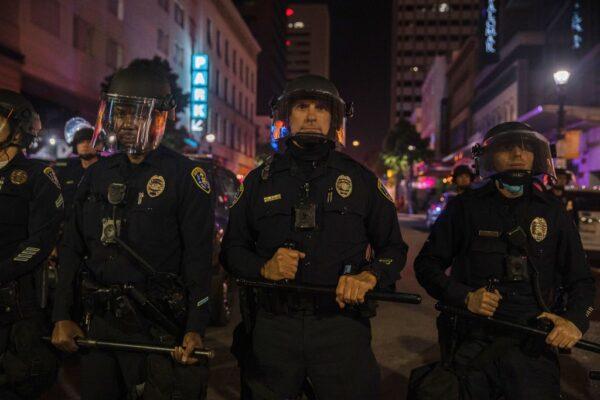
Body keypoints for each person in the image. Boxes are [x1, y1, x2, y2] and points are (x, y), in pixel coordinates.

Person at [220, 74, 408, 399]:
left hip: (341, 326)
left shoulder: (361, 180)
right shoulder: (257, 182)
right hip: (274, 327)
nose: (310, 115)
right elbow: (231, 250)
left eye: (321, 108)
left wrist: (370, 276)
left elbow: (393, 248)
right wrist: (263, 268)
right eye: (302, 107)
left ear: (333, 118)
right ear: (286, 116)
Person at [50, 64, 214, 399]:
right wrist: (61, 315)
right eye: (119, 113)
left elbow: (199, 259)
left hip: (158, 327)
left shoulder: (185, 177)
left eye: (135, 114)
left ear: (159, 117)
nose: (125, 123)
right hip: (102, 325)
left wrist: (196, 327)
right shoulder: (97, 175)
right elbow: (71, 249)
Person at [413, 121, 596, 399]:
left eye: (526, 148)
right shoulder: (464, 208)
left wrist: (573, 321)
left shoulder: (553, 211)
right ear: (488, 156)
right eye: (508, 147)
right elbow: (426, 265)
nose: (519, 155)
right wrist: (464, 296)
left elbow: (580, 280)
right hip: (472, 341)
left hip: (532, 344)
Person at [0, 89, 62, 399]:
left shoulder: (38, 175)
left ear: (18, 128)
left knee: (18, 381)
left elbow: (40, 241)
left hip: (16, 305)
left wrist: (5, 270)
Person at [54, 117, 103, 215]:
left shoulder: (107, 170)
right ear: (75, 146)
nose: (84, 145)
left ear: (98, 145)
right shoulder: (67, 171)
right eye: (80, 141)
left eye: (89, 141)